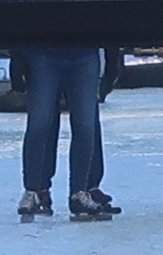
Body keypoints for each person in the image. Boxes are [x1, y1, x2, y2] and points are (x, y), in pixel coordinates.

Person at [10, 43, 120, 221]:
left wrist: (113, 59)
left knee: (85, 125)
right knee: (39, 124)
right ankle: (34, 190)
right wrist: (17, 58)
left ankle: (80, 191)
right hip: (41, 54)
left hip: (84, 54)